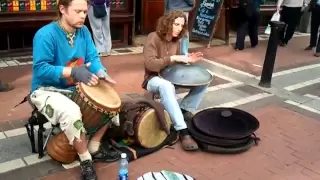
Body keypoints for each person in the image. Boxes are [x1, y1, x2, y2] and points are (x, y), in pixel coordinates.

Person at [30, 0, 119, 179]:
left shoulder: (84, 32)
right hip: (45, 89)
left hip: (75, 86)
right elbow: (40, 68)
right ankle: (86, 160)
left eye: (85, 12)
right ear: (62, 9)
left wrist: (101, 72)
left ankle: (94, 146)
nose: (82, 16)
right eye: (77, 11)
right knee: (71, 111)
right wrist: (72, 71)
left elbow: (93, 58)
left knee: (112, 103)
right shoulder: (45, 35)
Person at [142, 10, 208, 151]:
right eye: (176, 24)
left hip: (171, 77)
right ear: (167, 23)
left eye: (181, 25)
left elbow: (178, 61)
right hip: (153, 79)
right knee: (166, 86)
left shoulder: (177, 40)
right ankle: (183, 131)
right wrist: (174, 58)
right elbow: (150, 64)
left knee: (204, 79)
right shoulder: (153, 37)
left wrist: (187, 59)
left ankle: (183, 110)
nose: (179, 29)